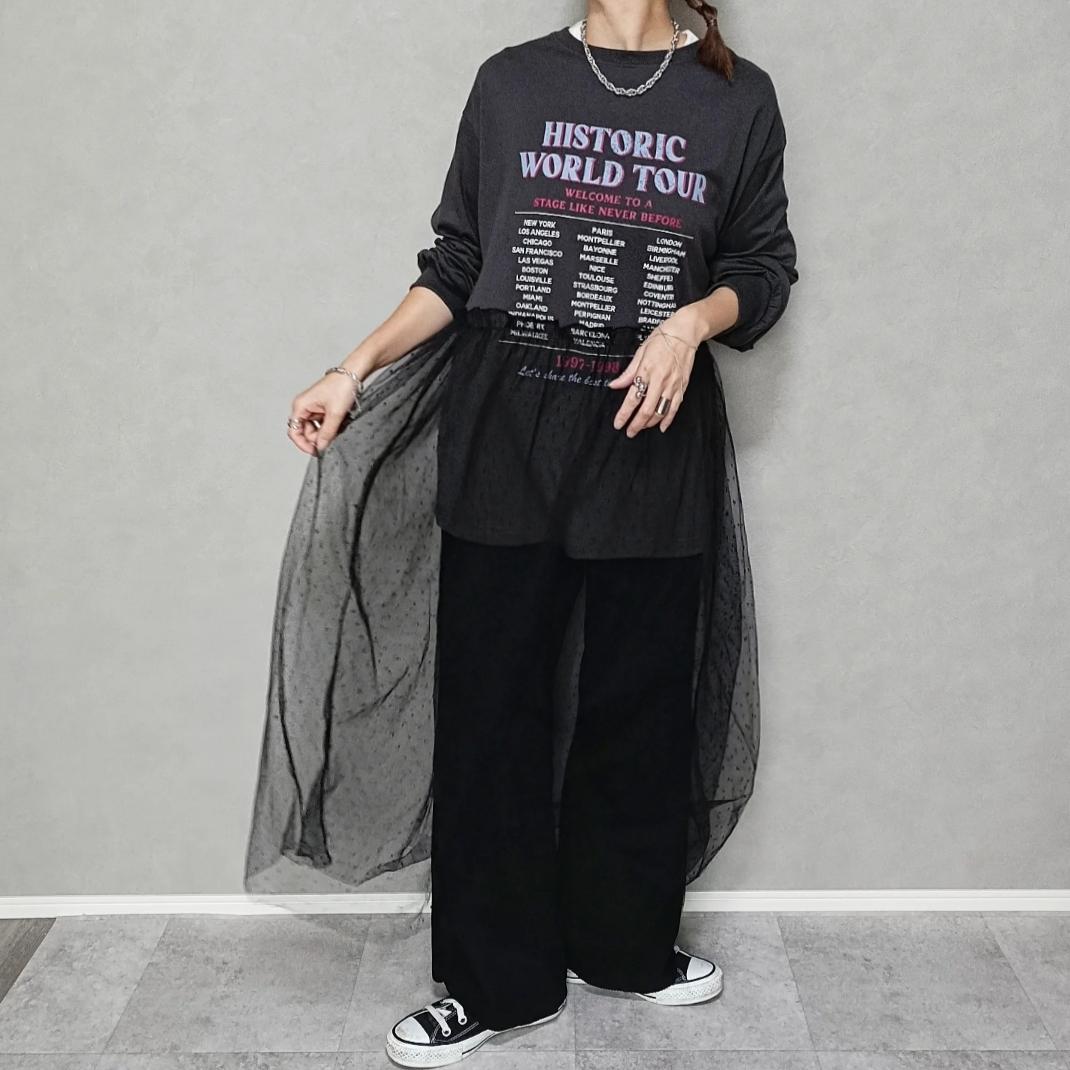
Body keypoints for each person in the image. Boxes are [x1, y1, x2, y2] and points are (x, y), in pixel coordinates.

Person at [244, 3, 798, 1066]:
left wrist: (688, 322)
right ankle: (493, 982)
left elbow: (763, 268)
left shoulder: (736, 97)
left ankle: (622, 943)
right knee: (491, 710)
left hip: (651, 433)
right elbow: (458, 260)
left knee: (638, 705)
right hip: (508, 433)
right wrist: (351, 369)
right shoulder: (511, 81)